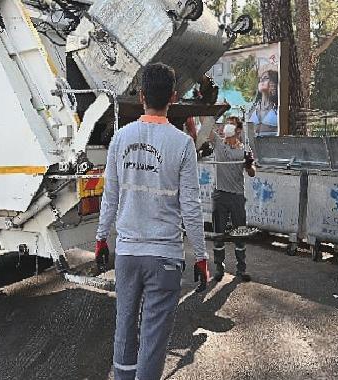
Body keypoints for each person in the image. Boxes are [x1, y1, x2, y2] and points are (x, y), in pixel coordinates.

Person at [95, 63, 209, 380]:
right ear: (173, 97)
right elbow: (191, 206)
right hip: (166, 258)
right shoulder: (183, 143)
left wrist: (101, 239)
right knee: (154, 339)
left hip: (128, 255)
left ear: (142, 95)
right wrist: (201, 256)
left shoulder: (120, 138)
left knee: (125, 327)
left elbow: (110, 197)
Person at [208, 122, 256, 282]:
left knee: (239, 234)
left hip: (236, 196)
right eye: (226, 137)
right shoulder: (219, 145)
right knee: (218, 235)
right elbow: (206, 125)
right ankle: (219, 269)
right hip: (220, 195)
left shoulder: (244, 151)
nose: (228, 140)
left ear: (236, 135)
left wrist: (249, 164)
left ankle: (241, 270)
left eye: (231, 137)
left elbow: (251, 173)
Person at [249, 66, 279, 137]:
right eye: (260, 79)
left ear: (273, 83)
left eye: (265, 78)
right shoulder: (254, 107)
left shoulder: (278, 106)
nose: (261, 80)